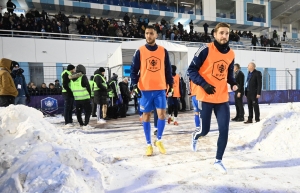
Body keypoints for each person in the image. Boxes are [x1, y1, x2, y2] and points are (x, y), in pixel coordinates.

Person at [188, 22, 238, 174]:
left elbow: (229, 75)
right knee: (205, 130)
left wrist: (234, 83)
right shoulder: (205, 49)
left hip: (222, 98)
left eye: (227, 33)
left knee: (224, 130)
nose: (224, 36)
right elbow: (191, 70)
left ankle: (218, 160)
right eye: (221, 33)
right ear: (215, 34)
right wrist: (204, 84)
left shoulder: (231, 54)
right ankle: (195, 135)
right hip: (206, 96)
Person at [130, 25, 173, 156]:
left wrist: (170, 83)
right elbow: (133, 70)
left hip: (160, 88)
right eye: (147, 33)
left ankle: (158, 140)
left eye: (151, 33)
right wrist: (134, 85)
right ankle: (148, 144)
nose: (149, 36)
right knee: (146, 116)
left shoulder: (163, 51)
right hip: (145, 89)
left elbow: (168, 70)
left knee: (162, 115)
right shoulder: (140, 51)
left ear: (156, 35)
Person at [69, 64, 93, 129]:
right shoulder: (83, 77)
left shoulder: (72, 78)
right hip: (85, 98)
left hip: (77, 98)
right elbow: (87, 86)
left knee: (79, 112)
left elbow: (71, 87)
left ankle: (81, 123)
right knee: (88, 111)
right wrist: (90, 95)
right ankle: (86, 124)